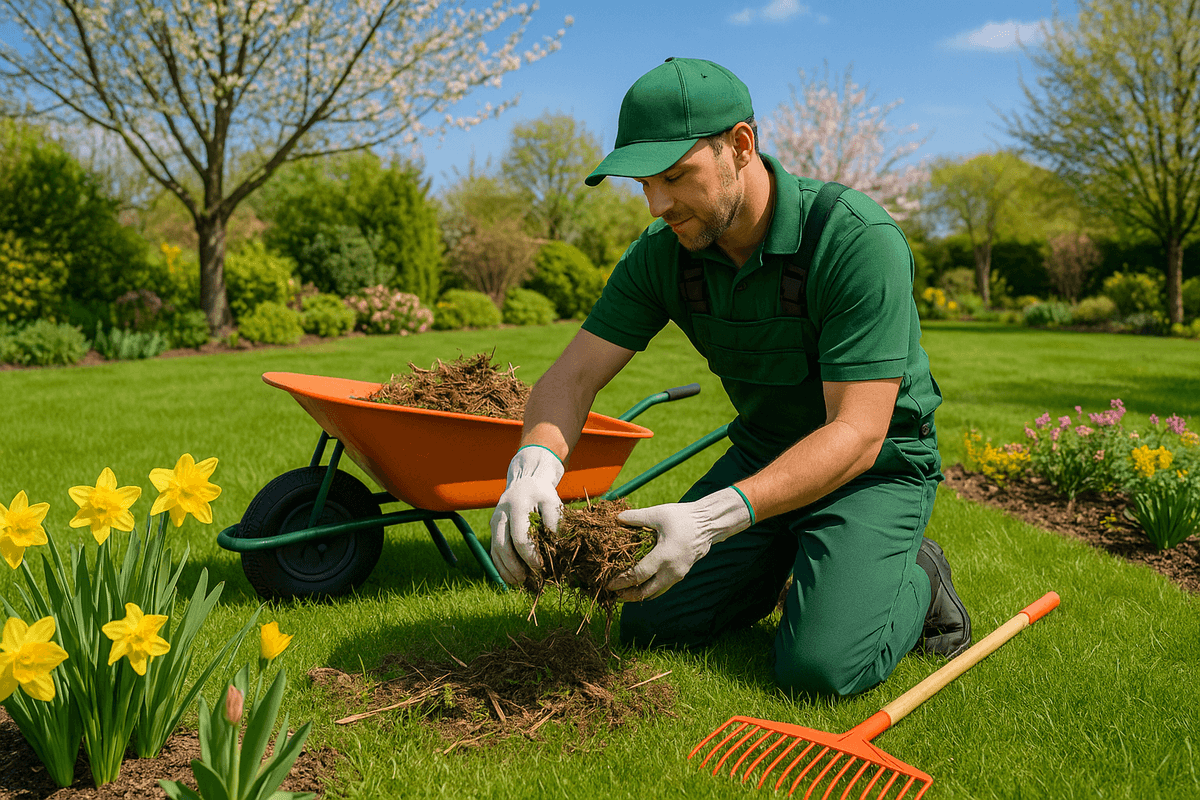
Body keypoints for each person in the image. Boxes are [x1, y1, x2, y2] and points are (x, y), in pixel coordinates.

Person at [489, 57, 970, 697]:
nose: (657, 203)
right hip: (763, 452)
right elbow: (570, 378)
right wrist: (534, 465)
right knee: (648, 621)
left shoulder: (852, 240)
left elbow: (856, 432)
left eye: (674, 176)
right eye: (643, 183)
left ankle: (918, 574)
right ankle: (788, 561)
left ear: (740, 146)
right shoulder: (665, 255)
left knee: (818, 670)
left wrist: (715, 518)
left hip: (876, 468)